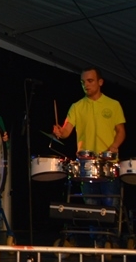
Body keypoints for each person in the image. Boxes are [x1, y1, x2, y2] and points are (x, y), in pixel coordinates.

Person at [52, 68, 126, 239]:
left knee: (110, 204)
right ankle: (97, 243)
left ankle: (111, 241)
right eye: (83, 82)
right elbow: (66, 131)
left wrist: (114, 146)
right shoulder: (77, 106)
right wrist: (59, 132)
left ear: (100, 82)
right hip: (86, 165)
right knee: (91, 206)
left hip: (108, 163)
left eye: (90, 81)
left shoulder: (113, 104)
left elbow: (121, 131)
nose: (86, 85)